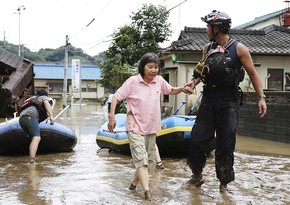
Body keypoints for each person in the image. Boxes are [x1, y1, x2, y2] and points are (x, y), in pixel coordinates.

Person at [185, 10, 267, 193]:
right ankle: (196, 175)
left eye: (208, 26)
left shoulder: (239, 49)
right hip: (209, 99)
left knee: (226, 143)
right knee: (197, 139)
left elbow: (253, 74)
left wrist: (261, 98)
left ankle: (224, 184)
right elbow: (202, 72)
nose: (206, 29)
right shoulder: (207, 48)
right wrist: (193, 82)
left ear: (217, 28)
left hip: (229, 102)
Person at [108, 52, 192, 201]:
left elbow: (171, 90)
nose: (153, 70)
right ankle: (147, 192)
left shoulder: (159, 80)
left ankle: (133, 185)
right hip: (134, 124)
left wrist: (183, 89)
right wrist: (112, 117)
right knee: (141, 158)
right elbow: (116, 97)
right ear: (143, 67)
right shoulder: (132, 82)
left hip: (151, 127)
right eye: (150, 67)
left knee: (146, 160)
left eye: (156, 67)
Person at [19, 90, 55, 164]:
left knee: (33, 138)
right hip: (31, 116)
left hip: (21, 119)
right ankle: (32, 161)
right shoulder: (43, 97)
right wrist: (51, 116)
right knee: (36, 138)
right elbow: (46, 102)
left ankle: (30, 156)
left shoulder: (29, 99)